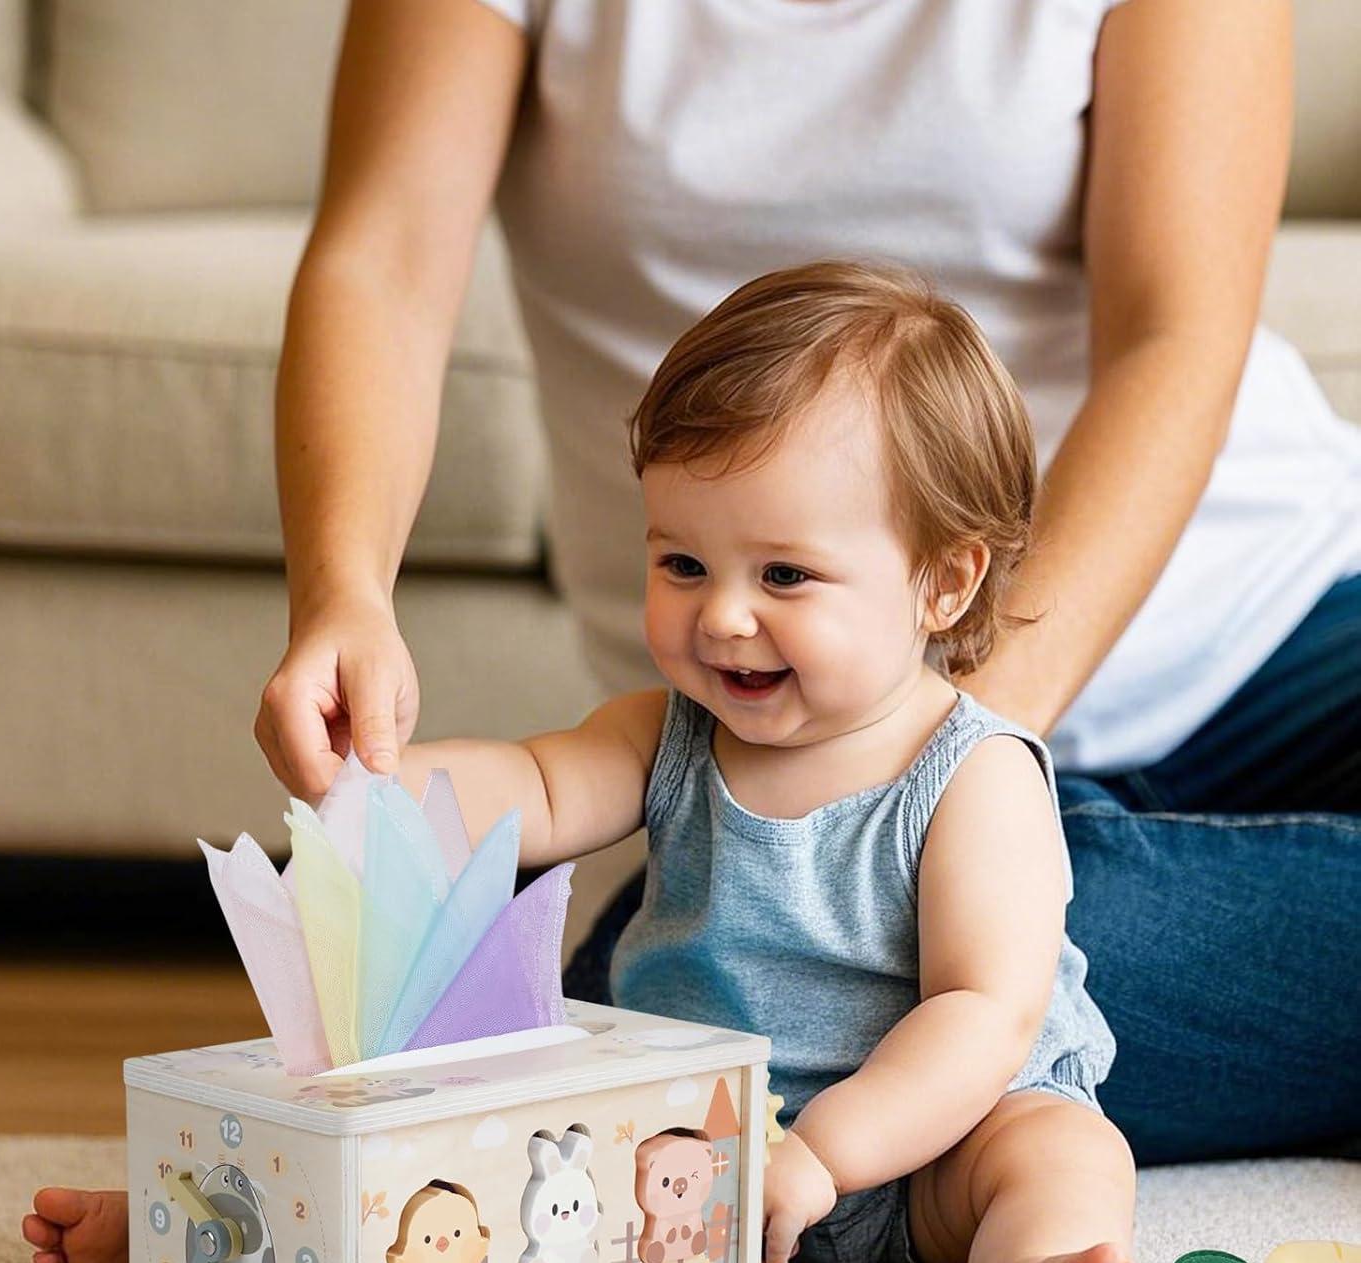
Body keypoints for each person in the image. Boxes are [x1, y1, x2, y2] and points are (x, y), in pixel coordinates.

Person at [253, 0, 1361, 1166]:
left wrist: (940, 767)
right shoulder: (685, 735)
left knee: (889, 1002)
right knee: (780, 1022)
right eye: (680, 563)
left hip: (1271, 633)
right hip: (795, 760)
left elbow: (1176, 340)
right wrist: (345, 600)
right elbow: (383, 265)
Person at [29, 263, 1157, 1263]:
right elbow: (531, 785)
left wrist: (826, 1152)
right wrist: (377, 774)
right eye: (682, 565)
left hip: (928, 1155)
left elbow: (981, 1014)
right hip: (678, 1154)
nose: (721, 618)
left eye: (783, 576)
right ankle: (210, 1242)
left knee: (1061, 1155)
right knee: (472, 1175)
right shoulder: (666, 734)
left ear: (942, 580)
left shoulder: (973, 773)